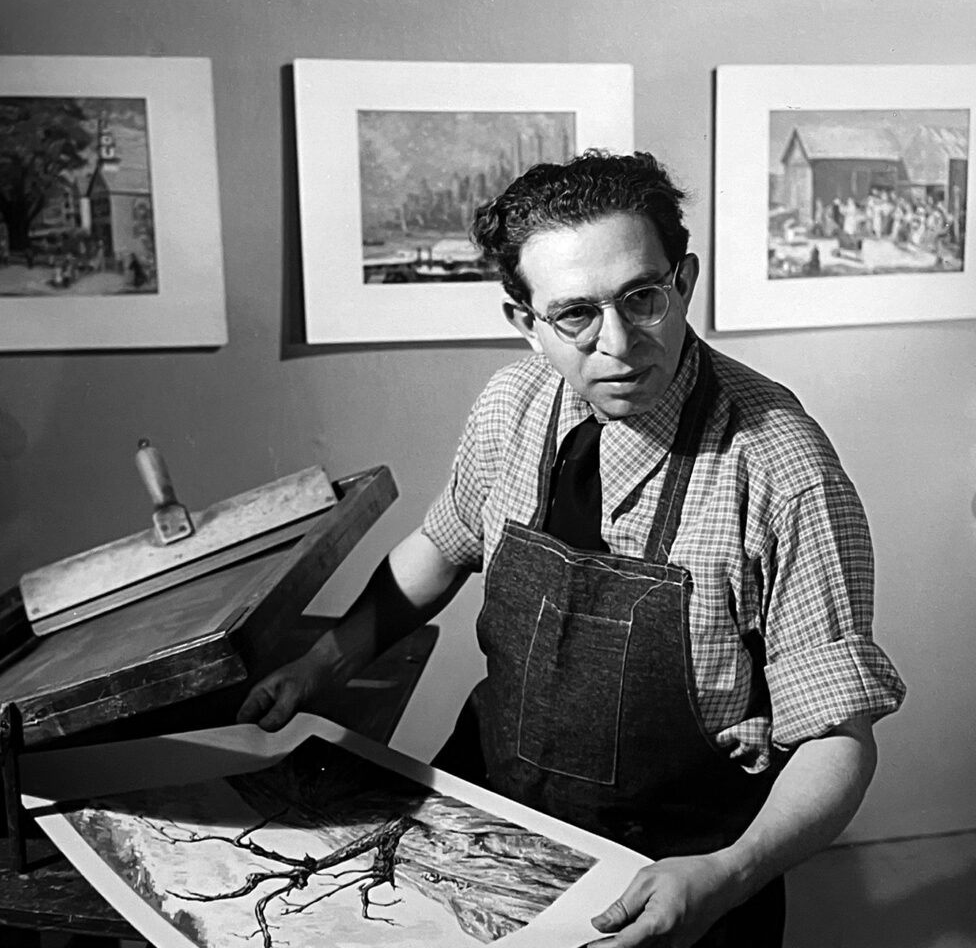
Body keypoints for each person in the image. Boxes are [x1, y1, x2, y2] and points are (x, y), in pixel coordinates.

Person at [238, 150, 905, 947]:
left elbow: (838, 739)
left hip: (678, 883)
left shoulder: (780, 466)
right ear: (525, 321)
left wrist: (728, 874)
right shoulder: (511, 405)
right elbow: (441, 549)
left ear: (684, 281)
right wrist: (320, 666)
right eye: (576, 315)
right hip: (493, 830)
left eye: (643, 298)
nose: (618, 342)